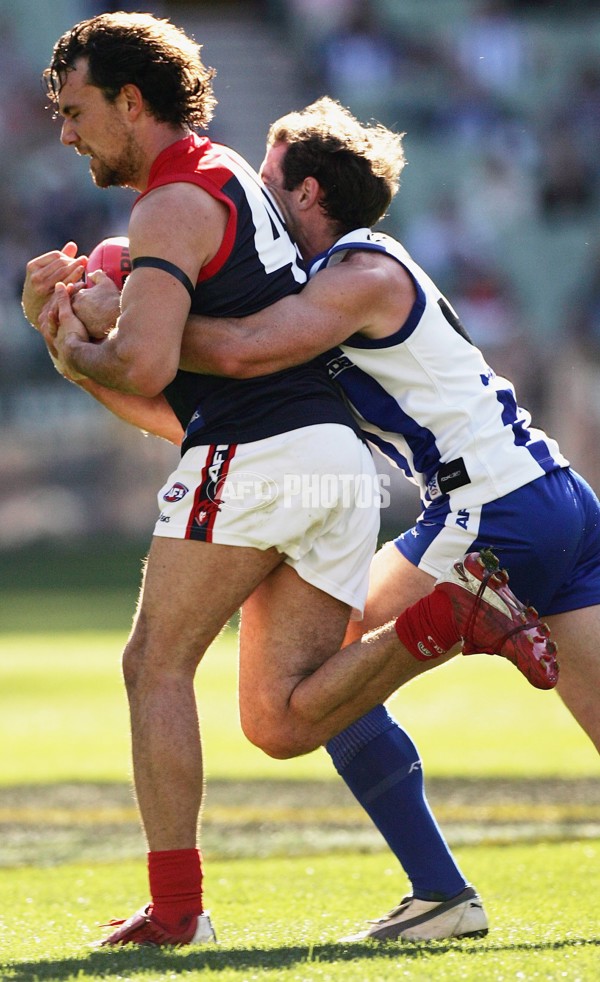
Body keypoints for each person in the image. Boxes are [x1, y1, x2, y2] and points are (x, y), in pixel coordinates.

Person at [23, 15, 555, 948]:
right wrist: (83, 350)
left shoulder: (172, 202)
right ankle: (448, 618)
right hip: (330, 467)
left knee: (153, 666)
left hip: (261, 460)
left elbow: (144, 367)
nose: (66, 133)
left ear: (131, 101)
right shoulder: (228, 173)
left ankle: (178, 911)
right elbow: (175, 408)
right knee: (279, 720)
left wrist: (72, 335)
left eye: (75, 111)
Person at [165, 97, 599, 942]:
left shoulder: (357, 274)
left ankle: (440, 892)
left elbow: (245, 350)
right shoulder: (354, 275)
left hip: (494, 507)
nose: (256, 196)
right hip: (554, 498)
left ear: (310, 194)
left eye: (269, 180)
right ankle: (439, 891)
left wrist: (140, 308)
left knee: (323, 676)